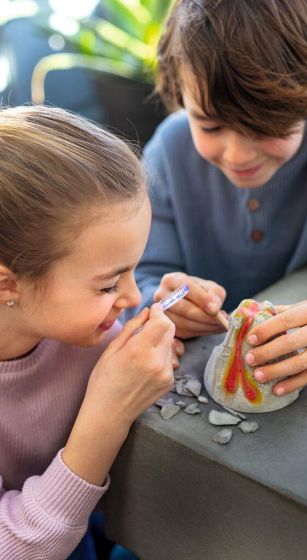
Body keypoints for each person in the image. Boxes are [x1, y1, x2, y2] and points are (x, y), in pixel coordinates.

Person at [130, 0, 307, 397]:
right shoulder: (169, 152)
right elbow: (137, 276)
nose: (238, 155)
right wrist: (160, 304)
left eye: (264, 127)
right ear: (181, 95)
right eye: (211, 124)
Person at [0, 105, 176, 559]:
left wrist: (175, 340)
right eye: (108, 283)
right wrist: (108, 413)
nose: (134, 297)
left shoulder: (82, 329)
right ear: (7, 283)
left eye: (135, 270)